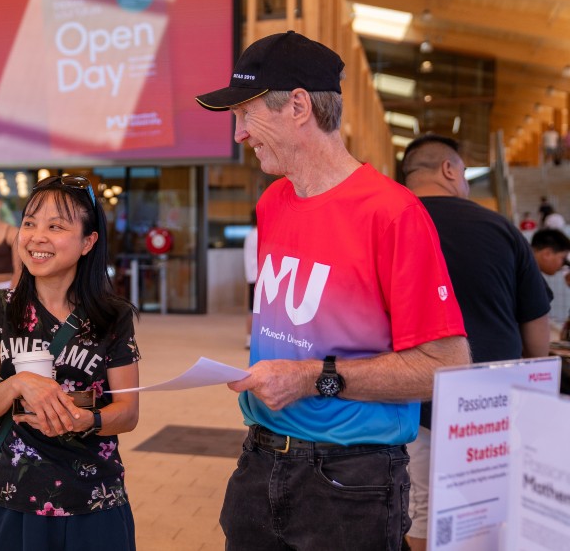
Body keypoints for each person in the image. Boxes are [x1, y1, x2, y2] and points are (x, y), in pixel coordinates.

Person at [195, 30, 470, 550]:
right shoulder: (274, 203)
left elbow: (445, 366)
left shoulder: (392, 214)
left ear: (298, 106)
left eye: (245, 115)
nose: (238, 136)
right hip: (259, 460)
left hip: (352, 479)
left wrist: (311, 378)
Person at [0, 175, 141, 550]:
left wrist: (89, 419)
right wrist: (16, 384)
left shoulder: (113, 316)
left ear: (88, 242)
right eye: (29, 223)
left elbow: (128, 412)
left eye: (55, 226)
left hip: (95, 500)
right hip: (15, 501)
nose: (36, 236)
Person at [401, 134, 551, 550]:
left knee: (421, 507)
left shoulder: (389, 221)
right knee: (486, 506)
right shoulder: (499, 226)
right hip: (492, 404)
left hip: (412, 400)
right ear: (449, 170)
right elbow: (535, 327)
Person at [243, 210, 258, 350]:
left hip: (252, 276)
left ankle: (250, 338)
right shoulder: (258, 234)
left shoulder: (250, 234)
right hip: (257, 276)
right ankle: (250, 338)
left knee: (252, 309)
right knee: (255, 309)